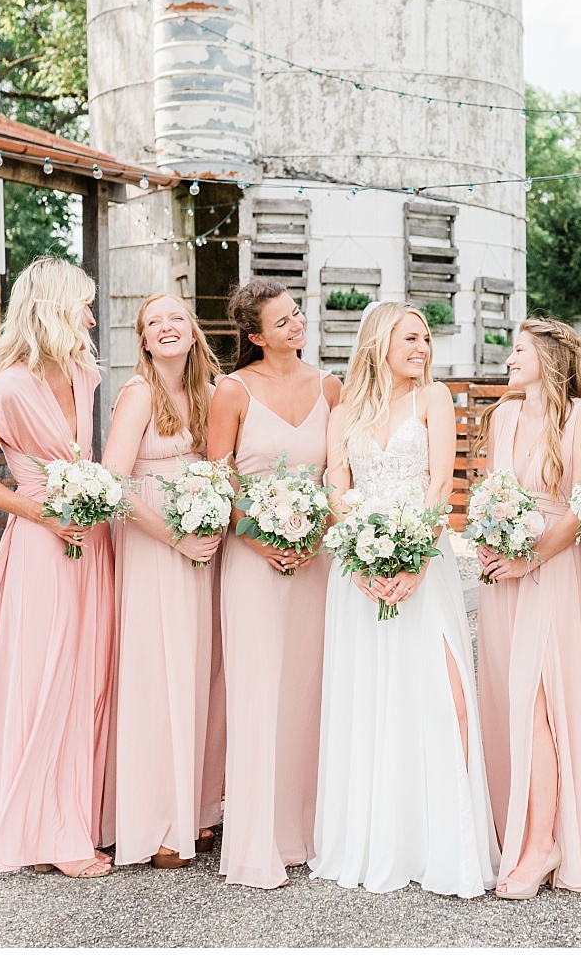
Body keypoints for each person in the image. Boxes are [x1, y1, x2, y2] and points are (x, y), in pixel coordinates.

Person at [308, 302, 498, 899]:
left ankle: (448, 842)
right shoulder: (343, 412)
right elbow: (336, 490)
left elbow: (443, 484)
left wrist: (413, 559)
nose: (422, 348)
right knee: (369, 693)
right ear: (378, 342)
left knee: (442, 690)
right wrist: (362, 561)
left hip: (426, 561)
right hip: (357, 571)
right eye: (410, 337)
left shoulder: (433, 400)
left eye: (425, 338)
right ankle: (377, 839)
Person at [0, 256, 116, 880]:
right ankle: (45, 832)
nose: (92, 317)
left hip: (91, 543)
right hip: (43, 549)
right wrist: (41, 512)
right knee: (48, 680)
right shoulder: (10, 388)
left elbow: (87, 454)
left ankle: (70, 815)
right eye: (83, 305)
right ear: (53, 310)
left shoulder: (83, 373)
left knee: (87, 680)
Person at [205, 278, 341, 889]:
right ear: (257, 336)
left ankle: (305, 832)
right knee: (257, 690)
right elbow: (218, 480)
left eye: (298, 315)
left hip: (315, 561)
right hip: (252, 560)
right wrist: (258, 536)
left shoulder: (330, 387)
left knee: (309, 690)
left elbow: (339, 477)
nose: (297, 326)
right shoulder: (231, 392)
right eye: (283, 321)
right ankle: (256, 838)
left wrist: (313, 536)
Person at [475, 319, 581, 898]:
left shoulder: (579, 417)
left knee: (538, 706)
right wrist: (486, 535)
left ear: (549, 356)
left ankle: (542, 843)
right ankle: (517, 826)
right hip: (501, 575)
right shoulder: (502, 416)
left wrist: (531, 560)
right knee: (506, 700)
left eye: (518, 350)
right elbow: (488, 491)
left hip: (550, 571)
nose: (508, 359)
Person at [104, 294, 225, 870]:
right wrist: (175, 536)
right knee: (158, 673)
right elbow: (113, 485)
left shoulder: (208, 395)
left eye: (177, 317)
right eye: (155, 322)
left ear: (194, 332)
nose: (167, 327)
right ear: (145, 341)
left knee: (199, 670)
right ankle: (155, 822)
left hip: (202, 542)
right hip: (156, 542)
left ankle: (195, 804)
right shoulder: (138, 394)